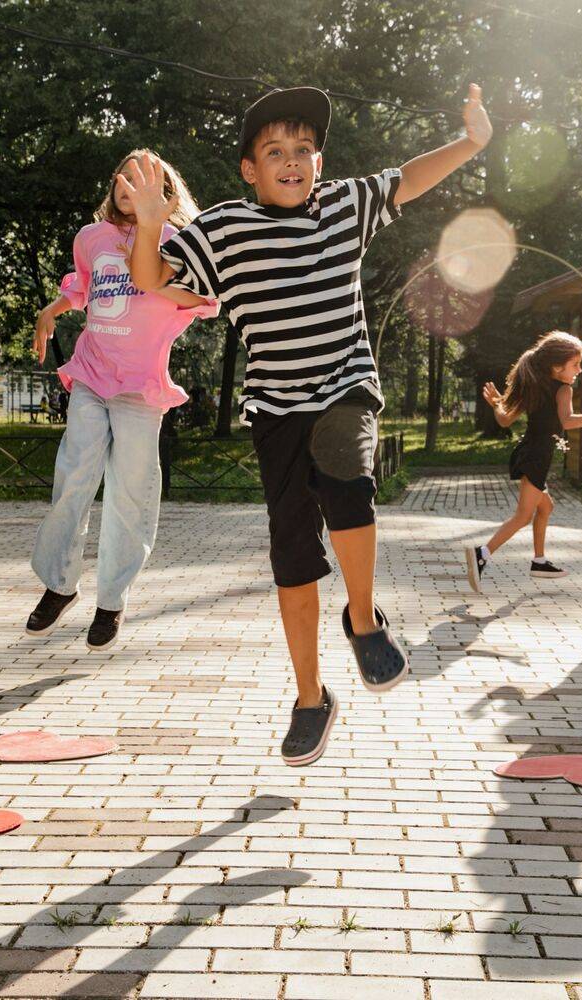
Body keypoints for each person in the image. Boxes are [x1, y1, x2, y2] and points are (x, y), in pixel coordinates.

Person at [124, 83, 493, 766]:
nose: (291, 160)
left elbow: (408, 179)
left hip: (345, 386)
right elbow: (149, 278)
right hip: (275, 409)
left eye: (303, 149)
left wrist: (471, 143)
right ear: (249, 169)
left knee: (347, 478)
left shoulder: (343, 207)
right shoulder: (225, 229)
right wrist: (150, 224)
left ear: (319, 163)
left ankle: (363, 620)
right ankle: (310, 697)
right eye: (274, 152)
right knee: (293, 556)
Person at [25, 149, 217, 650]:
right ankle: (59, 584)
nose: (129, 185)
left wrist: (154, 274)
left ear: (164, 193)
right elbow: (83, 289)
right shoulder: (91, 237)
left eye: (142, 179)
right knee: (74, 475)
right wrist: (51, 310)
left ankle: (111, 599)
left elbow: (205, 301)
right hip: (91, 372)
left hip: (140, 385)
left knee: (130, 493)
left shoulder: (175, 241)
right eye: (123, 177)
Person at [465, 331, 582, 591]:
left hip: (528, 453)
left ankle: (539, 562)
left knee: (546, 507)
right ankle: (482, 554)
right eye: (575, 364)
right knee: (523, 516)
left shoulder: (534, 385)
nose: (580, 370)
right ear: (557, 366)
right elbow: (567, 421)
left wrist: (496, 403)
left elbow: (504, 420)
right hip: (537, 458)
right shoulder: (563, 389)